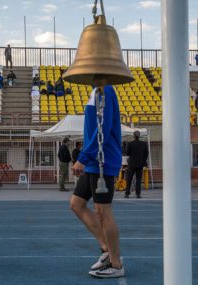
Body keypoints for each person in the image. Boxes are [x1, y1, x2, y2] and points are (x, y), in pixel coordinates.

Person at [71, 85, 124, 278]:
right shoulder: (95, 91)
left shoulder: (105, 90)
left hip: (103, 159)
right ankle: (106, 250)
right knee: (76, 204)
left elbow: (104, 126)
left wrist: (83, 157)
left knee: (102, 211)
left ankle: (117, 264)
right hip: (94, 161)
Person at [124, 131, 149, 199]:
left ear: (134, 136)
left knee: (129, 179)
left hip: (131, 164)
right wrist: (143, 161)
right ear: (139, 136)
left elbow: (127, 153)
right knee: (138, 179)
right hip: (140, 164)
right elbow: (146, 154)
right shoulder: (144, 144)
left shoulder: (130, 144)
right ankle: (138, 194)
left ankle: (127, 193)